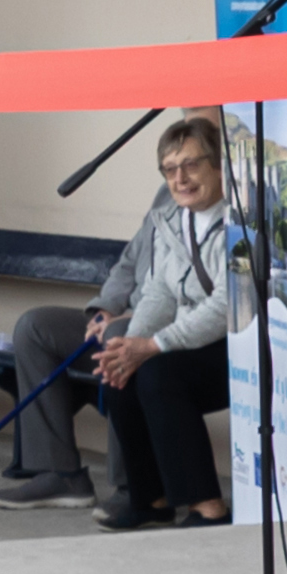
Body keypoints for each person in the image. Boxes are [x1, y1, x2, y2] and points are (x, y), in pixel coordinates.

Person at [78, 115, 241, 533]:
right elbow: (159, 292)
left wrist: (154, 346)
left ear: (220, 165)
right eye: (170, 169)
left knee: (157, 375)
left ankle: (209, 508)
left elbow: (229, 303)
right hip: (194, 342)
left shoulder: (244, 221)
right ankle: (151, 499)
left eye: (191, 165)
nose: (180, 178)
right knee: (121, 373)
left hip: (247, 345)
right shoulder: (173, 220)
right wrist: (129, 348)